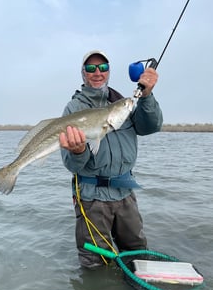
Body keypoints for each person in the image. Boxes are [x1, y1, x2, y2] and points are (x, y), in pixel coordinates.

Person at [59, 50, 163, 268]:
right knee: (95, 262)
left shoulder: (121, 103)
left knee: (138, 253)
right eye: (90, 68)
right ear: (83, 74)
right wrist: (78, 151)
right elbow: (71, 165)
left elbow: (150, 126)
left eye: (103, 68)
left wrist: (147, 96)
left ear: (109, 72)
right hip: (92, 197)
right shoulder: (74, 108)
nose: (97, 72)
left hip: (125, 192)